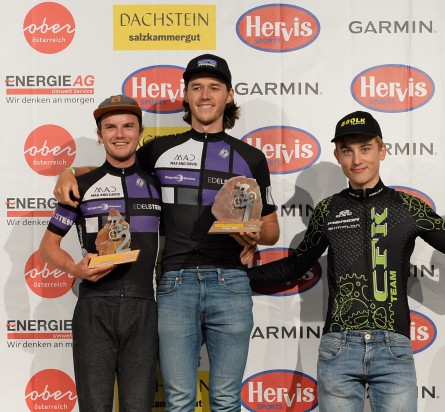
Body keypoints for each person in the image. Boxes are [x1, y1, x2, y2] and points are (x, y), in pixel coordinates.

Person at [248, 110, 445, 412]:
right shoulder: (327, 210)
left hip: (393, 349)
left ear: (382, 150)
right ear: (337, 155)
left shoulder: (407, 207)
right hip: (338, 348)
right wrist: (238, 274)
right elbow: (294, 267)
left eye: (365, 148)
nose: (357, 160)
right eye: (347, 151)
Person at [53, 54, 280, 412]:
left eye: (214, 87)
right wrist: (67, 171)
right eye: (196, 87)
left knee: (225, 400)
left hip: (232, 284)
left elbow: (270, 230)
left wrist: (253, 235)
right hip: (176, 284)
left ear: (230, 95)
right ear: (186, 96)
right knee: (178, 400)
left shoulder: (251, 157)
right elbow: (113, 167)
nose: (205, 95)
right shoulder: (158, 150)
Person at [39, 95, 161, 411]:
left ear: (140, 132)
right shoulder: (80, 185)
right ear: (99, 134)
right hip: (93, 309)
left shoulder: (157, 185)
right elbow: (49, 245)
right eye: (110, 127)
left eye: (127, 126)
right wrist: (75, 270)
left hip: (144, 309)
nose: (119, 134)